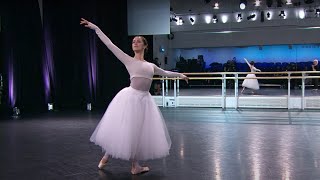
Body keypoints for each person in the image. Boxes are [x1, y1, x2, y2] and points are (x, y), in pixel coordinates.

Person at [80, 18, 188, 175]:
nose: (135, 43)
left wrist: (180, 75)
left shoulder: (151, 66)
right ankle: (108, 155)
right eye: (133, 42)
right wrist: (96, 28)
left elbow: (165, 73)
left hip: (144, 100)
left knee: (136, 132)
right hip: (130, 98)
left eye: (139, 41)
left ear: (145, 46)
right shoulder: (128, 60)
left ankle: (133, 165)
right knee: (122, 129)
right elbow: (110, 45)